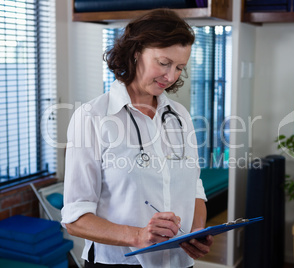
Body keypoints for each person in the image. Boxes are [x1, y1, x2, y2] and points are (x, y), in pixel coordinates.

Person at [61, 8, 213, 268]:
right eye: (164, 63)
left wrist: (195, 232)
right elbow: (75, 217)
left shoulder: (180, 116)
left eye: (179, 67)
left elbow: (194, 187)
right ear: (135, 52)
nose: (171, 76)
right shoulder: (92, 117)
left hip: (177, 262)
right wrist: (138, 236)